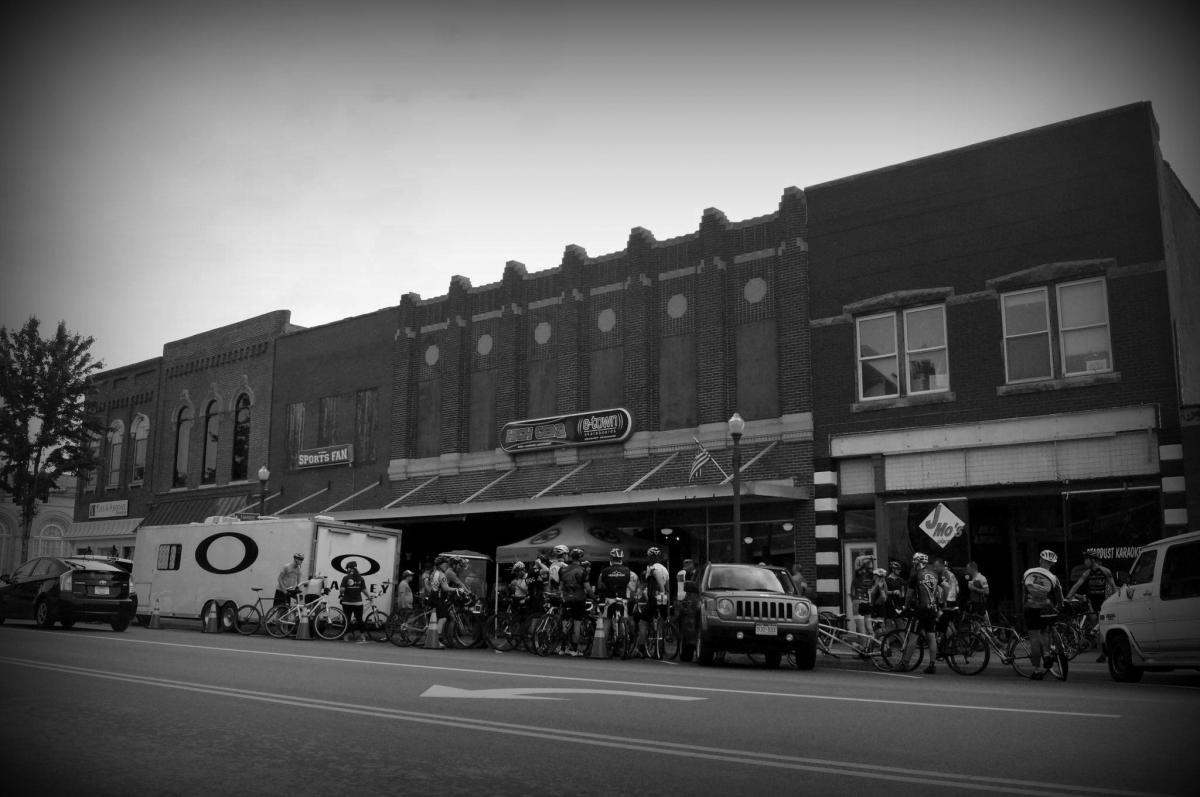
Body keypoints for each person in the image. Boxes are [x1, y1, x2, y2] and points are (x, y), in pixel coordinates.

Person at [1022, 549, 1064, 680]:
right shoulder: (1053, 578)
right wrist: (1059, 607)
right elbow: (1060, 597)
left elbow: (1023, 591)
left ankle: (1037, 670)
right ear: (1052, 564)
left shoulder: (1028, 572)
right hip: (1045, 608)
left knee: (1034, 637)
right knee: (1044, 632)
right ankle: (1046, 654)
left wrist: (1024, 605)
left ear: (1040, 560)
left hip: (1030, 608)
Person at [1066, 553, 1115, 662]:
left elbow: (1113, 587)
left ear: (1092, 560)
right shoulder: (1087, 573)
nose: (1084, 562)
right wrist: (1068, 597)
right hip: (1093, 602)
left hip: (1104, 602)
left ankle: (1109, 651)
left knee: (1103, 628)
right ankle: (1102, 653)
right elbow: (1077, 585)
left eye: (1086, 560)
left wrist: (1114, 602)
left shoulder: (1105, 571)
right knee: (1096, 630)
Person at [906, 552, 940, 674]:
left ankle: (905, 663)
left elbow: (909, 594)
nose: (913, 564)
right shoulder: (934, 574)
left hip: (921, 609)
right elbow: (941, 590)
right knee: (931, 636)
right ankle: (932, 665)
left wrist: (905, 606)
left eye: (914, 561)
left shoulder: (916, 575)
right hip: (933, 608)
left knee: (913, 636)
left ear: (917, 562)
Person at [635, 547, 671, 657]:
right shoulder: (665, 569)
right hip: (663, 598)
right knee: (660, 620)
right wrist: (666, 596)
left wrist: (638, 593)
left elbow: (646, 584)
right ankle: (660, 646)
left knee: (643, 622)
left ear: (650, 557)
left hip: (654, 598)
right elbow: (668, 587)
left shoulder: (651, 568)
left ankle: (640, 648)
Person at [558, 548, 589, 656]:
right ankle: (575, 650)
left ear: (571, 557)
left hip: (566, 599)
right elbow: (587, 587)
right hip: (579, 599)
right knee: (577, 623)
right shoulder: (582, 570)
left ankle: (562, 648)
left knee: (565, 623)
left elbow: (560, 586)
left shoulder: (562, 569)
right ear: (580, 558)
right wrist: (594, 596)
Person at [933, 557, 961, 643]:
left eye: (936, 566)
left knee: (944, 625)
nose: (935, 569)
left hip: (947, 601)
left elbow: (944, 588)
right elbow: (957, 589)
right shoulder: (952, 574)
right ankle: (956, 641)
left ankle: (949, 645)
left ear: (942, 566)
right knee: (950, 623)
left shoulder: (944, 574)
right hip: (953, 600)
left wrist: (942, 600)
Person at [340, 561, 368, 643]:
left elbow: (342, 589)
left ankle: (346, 636)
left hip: (346, 603)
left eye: (347, 568)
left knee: (347, 619)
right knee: (359, 619)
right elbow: (364, 590)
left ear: (349, 569)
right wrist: (369, 597)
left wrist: (341, 594)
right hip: (358, 603)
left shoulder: (346, 578)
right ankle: (362, 637)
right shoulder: (361, 578)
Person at [849, 553, 875, 636]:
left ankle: (864, 647)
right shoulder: (871, 576)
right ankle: (873, 646)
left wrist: (869, 557)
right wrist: (871, 559)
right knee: (869, 628)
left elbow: (857, 559)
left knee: (861, 629)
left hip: (858, 601)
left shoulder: (858, 573)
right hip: (866, 602)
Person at [868, 567, 890, 634]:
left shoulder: (880, 584)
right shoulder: (876, 584)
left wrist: (878, 602)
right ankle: (882, 643)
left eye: (874, 575)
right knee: (877, 628)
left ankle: (885, 643)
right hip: (876, 608)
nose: (873, 576)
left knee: (881, 627)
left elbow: (884, 597)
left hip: (879, 608)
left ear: (877, 576)